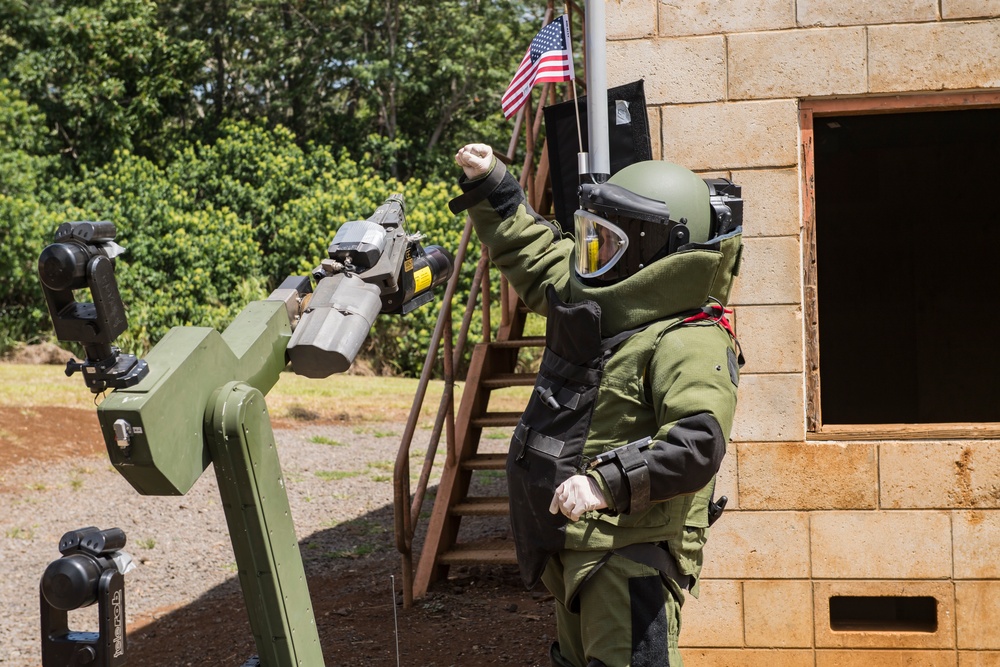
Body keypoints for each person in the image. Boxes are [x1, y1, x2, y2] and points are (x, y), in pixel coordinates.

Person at [451, 143, 744, 667]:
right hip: (574, 541)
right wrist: (493, 185)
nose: (590, 254)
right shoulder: (603, 298)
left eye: (608, 241)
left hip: (629, 552)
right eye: (591, 236)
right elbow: (538, 256)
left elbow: (697, 444)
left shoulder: (686, 339)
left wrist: (604, 482)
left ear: (654, 247)